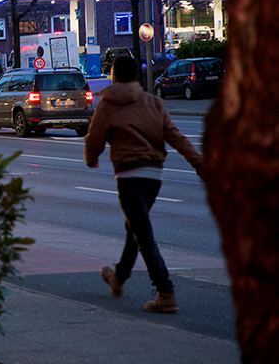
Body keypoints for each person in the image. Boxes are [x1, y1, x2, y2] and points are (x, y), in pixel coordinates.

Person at [84, 55, 203, 314]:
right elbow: (175, 135)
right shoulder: (153, 102)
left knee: (142, 233)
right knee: (134, 229)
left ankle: (165, 291)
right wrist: (198, 162)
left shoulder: (109, 103)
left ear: (114, 76)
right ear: (137, 76)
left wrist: (91, 158)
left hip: (129, 176)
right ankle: (119, 277)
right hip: (154, 177)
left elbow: (95, 136)